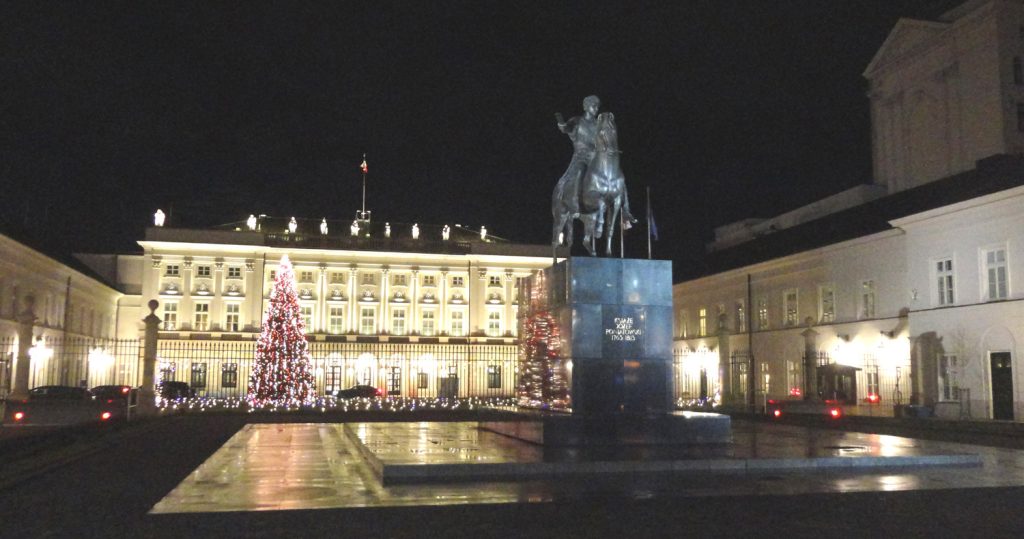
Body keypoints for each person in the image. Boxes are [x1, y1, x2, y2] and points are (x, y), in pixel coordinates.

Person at [554, 95, 601, 216]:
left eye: (597, 106)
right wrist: (561, 124)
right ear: (586, 107)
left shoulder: (598, 124)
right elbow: (566, 129)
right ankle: (576, 203)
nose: (596, 108)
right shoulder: (577, 120)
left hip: (595, 159)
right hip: (581, 157)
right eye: (593, 105)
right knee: (580, 170)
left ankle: (623, 209)